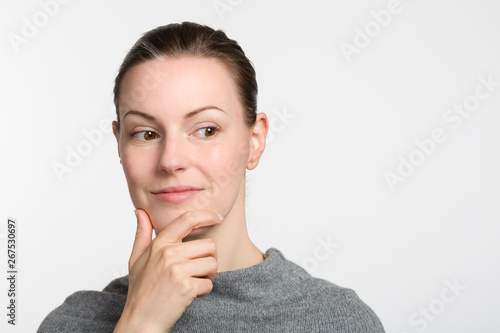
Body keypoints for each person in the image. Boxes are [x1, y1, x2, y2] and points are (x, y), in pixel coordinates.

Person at [37, 21, 385, 332]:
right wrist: (141, 322)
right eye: (145, 133)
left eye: (205, 130)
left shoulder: (337, 320)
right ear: (119, 145)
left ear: (254, 141)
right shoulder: (73, 323)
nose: (171, 161)